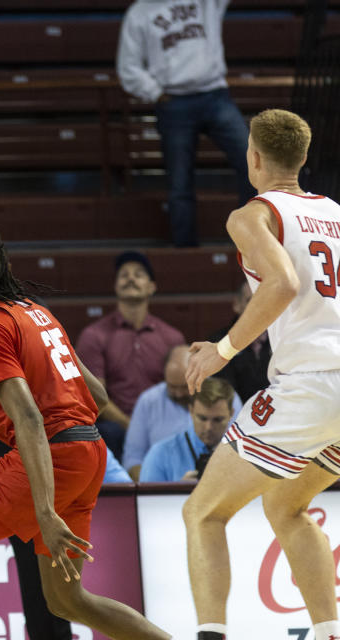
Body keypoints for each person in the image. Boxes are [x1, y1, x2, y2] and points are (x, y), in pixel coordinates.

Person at [0, 223, 170, 640]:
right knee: (67, 600)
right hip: (89, 450)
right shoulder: (36, 311)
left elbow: (29, 418)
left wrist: (45, 512)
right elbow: (98, 395)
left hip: (55, 454)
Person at [183, 109, 340, 640]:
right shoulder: (337, 213)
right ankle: (327, 633)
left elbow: (282, 283)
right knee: (286, 504)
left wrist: (223, 350)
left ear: (253, 158)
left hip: (313, 382)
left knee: (203, 513)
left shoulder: (251, 215)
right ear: (301, 157)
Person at [116, 0, 254, 247]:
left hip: (215, 94)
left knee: (253, 162)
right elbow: (128, 67)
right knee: (179, 184)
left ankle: (254, 240)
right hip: (174, 101)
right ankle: (186, 250)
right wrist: (156, 93)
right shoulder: (139, 12)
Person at [75, 251, 185, 459]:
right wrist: (133, 428)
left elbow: (180, 392)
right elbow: (95, 398)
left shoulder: (172, 337)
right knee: (106, 432)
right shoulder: (94, 335)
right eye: (123, 275)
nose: (130, 278)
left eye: (139, 274)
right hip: (115, 428)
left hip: (160, 423)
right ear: (116, 286)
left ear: (152, 287)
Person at [122, 345, 241, 480]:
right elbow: (133, 459)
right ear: (192, 410)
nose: (178, 393)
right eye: (172, 386)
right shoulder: (159, 452)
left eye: (185, 387)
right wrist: (175, 491)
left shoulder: (226, 398)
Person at [139, 377, 234, 482]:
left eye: (217, 420)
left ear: (231, 414)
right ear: (191, 410)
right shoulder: (160, 454)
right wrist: (180, 493)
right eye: (202, 418)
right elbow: (148, 499)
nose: (208, 427)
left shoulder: (245, 455)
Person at [207, 281, 271, 402]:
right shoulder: (218, 343)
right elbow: (221, 392)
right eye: (250, 301)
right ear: (237, 304)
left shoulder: (282, 340)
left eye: (263, 300)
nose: (258, 307)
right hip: (233, 415)